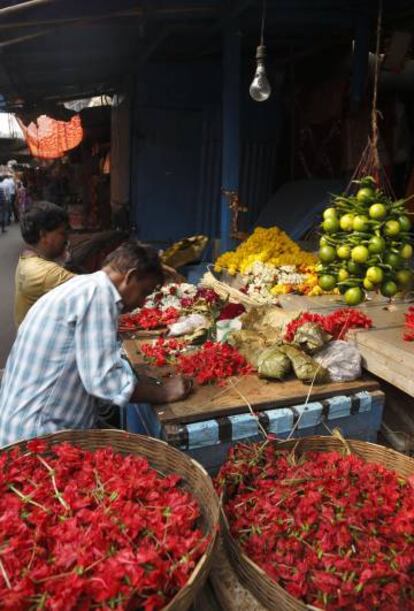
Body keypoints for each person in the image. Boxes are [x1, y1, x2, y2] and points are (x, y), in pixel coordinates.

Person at [0, 241, 191, 447]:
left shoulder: (83, 287)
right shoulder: (98, 296)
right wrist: (164, 391)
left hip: (23, 426)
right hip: (37, 437)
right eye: (144, 292)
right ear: (131, 276)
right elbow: (105, 382)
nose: (141, 303)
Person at [15, 201, 75, 326]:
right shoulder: (46, 273)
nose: (67, 239)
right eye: (62, 233)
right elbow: (98, 287)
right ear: (43, 235)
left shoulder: (27, 258)